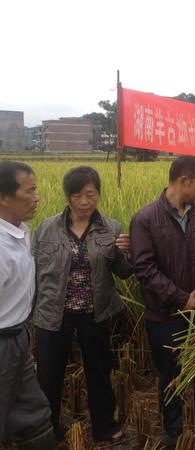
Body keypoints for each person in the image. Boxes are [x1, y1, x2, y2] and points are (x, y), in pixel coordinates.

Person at [32, 166, 132, 445]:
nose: (85, 201)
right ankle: (48, 429)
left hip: (95, 312)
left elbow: (122, 272)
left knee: (99, 371)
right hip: (54, 314)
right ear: (68, 197)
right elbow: (34, 273)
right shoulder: (46, 229)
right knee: (49, 375)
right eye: (77, 195)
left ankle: (104, 427)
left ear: (98, 194)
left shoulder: (111, 228)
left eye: (90, 194)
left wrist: (128, 253)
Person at [129, 155, 195, 448]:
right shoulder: (145, 219)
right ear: (184, 181)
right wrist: (182, 298)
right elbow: (145, 270)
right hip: (165, 316)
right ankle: (173, 433)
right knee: (171, 376)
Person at [0, 161, 56, 450]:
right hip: (2, 343)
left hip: (16, 337)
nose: (37, 198)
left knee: (33, 414)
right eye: (30, 191)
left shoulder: (19, 232)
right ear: (4, 197)